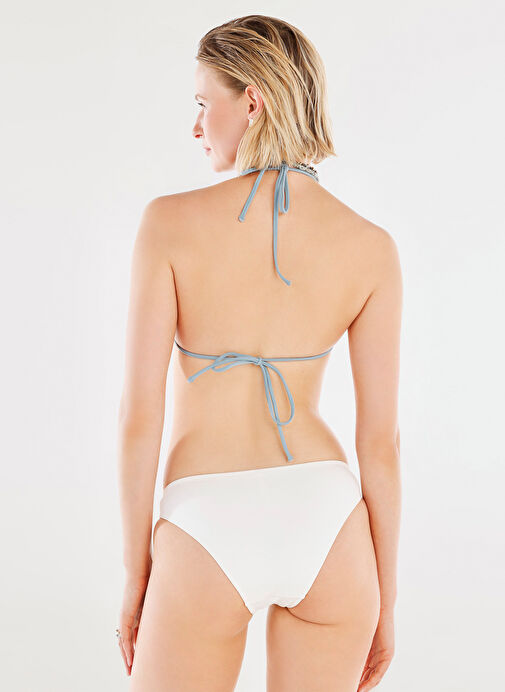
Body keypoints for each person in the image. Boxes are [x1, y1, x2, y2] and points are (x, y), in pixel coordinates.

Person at [116, 14, 402, 692]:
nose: (196, 127)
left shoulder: (167, 224)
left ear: (252, 100)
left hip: (206, 521)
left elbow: (138, 418)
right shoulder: (371, 247)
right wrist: (384, 600)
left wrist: (136, 574)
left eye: (202, 103)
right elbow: (381, 444)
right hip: (329, 522)